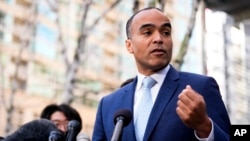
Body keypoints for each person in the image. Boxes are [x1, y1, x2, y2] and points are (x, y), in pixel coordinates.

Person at [92, 7, 231, 141]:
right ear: (129, 45)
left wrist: (205, 126)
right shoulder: (108, 104)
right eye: (147, 32)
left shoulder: (200, 87)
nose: (158, 39)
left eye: (166, 32)